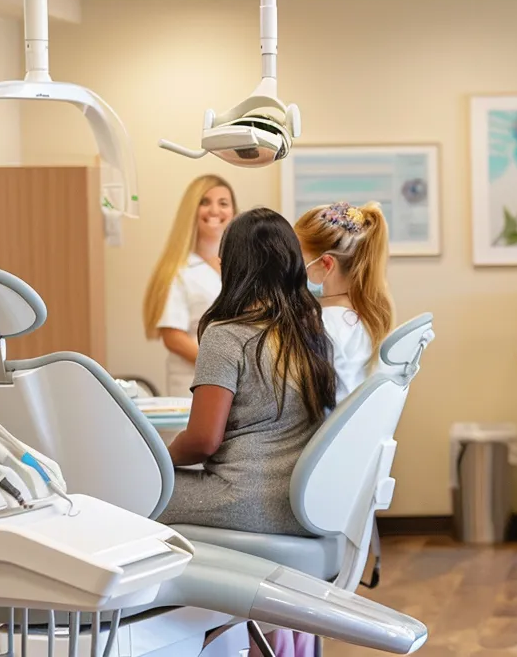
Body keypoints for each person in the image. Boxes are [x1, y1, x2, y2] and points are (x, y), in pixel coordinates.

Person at [158, 208, 337, 537]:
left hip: (242, 500)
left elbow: (202, 441)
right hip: (303, 506)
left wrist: (157, 459)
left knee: (129, 488)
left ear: (231, 267)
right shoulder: (312, 332)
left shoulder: (226, 335)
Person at [143, 175, 239, 397]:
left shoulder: (241, 267)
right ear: (191, 210)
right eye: (205, 202)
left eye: (223, 203)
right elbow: (173, 338)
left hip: (233, 385)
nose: (214, 210)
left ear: (233, 212)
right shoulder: (178, 271)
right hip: (192, 386)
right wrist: (222, 367)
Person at [294, 201, 396, 401]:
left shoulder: (322, 326)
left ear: (326, 264)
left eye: (298, 259)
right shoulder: (365, 317)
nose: (293, 267)